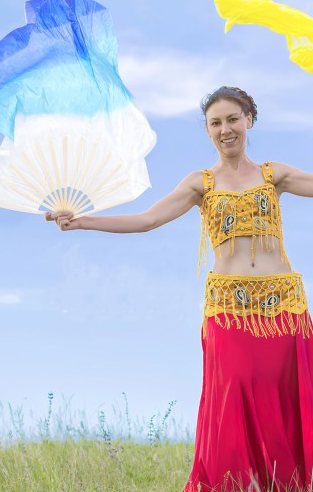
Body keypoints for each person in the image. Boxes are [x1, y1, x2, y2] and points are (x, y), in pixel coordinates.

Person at [46, 86, 313, 491]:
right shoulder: (200, 183)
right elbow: (148, 220)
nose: (225, 129)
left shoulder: (273, 174)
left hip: (283, 310)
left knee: (282, 399)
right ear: (207, 130)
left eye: (233, 119)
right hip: (230, 310)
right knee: (235, 393)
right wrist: (83, 221)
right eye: (215, 123)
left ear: (249, 120)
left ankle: (283, 484)